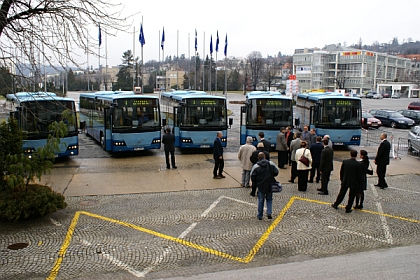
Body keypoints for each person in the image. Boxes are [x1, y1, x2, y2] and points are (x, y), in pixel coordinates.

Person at [250, 152, 279, 220]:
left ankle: (260, 215)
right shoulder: (270, 163)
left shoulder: (256, 166)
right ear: (265, 156)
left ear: (258, 158)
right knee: (269, 199)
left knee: (261, 200)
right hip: (269, 183)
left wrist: (256, 183)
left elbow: (252, 176)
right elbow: (276, 171)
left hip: (261, 185)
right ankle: (269, 212)